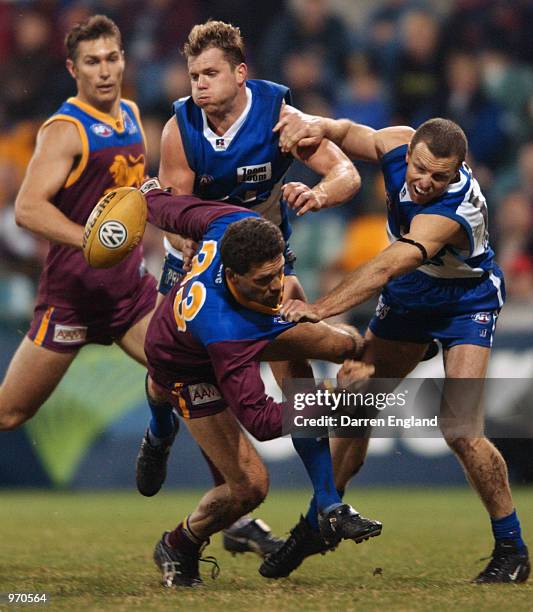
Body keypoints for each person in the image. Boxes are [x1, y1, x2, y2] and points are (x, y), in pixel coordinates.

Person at [266, 111, 531, 584]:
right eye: (421, 169)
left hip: (465, 301)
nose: (427, 181)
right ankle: (320, 519)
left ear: (460, 172)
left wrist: (322, 307)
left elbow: (387, 266)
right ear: (408, 152)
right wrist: (317, 124)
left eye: (441, 176)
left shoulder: (455, 210)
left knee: (460, 429)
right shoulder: (396, 144)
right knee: (355, 405)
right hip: (412, 296)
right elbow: (352, 134)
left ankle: (511, 548)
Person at [135, 20, 361, 556]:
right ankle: (161, 426)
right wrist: (193, 249)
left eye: (210, 73)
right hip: (197, 263)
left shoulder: (283, 117)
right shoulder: (179, 128)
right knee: (172, 374)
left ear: (241, 73)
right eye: (193, 75)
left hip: (265, 268)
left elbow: (347, 173)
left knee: (300, 363)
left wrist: (321, 195)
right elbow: (174, 211)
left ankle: (327, 499)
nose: (199, 85)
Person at [133, 178, 382, 587]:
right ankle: (178, 542)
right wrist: (336, 401)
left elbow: (169, 210)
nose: (275, 286)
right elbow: (264, 422)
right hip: (183, 362)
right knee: (250, 487)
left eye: (277, 271)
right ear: (232, 275)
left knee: (332, 338)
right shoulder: (226, 329)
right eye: (264, 280)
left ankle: (327, 503)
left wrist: (146, 193)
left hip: (213, 328)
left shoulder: (231, 220)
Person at [0, 16, 157, 430]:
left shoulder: (133, 114)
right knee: (10, 413)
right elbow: (27, 208)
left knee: (185, 366)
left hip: (130, 295)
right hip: (73, 298)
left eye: (111, 58)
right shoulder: (65, 131)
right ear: (73, 69)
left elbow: (134, 198)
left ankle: (160, 437)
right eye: (91, 62)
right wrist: (89, 239)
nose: (104, 71)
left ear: (124, 59)